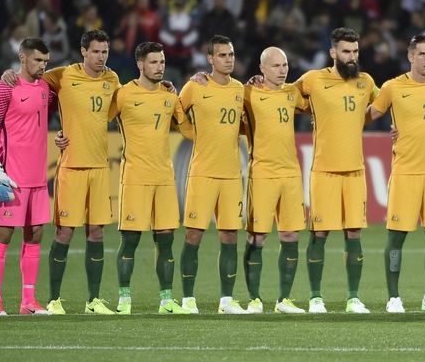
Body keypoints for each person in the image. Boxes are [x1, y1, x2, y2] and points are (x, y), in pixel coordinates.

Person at [1, 30, 121, 315]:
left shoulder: (112, 80)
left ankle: (94, 301)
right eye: (95, 51)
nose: (101, 57)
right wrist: (9, 73)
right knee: (64, 232)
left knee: (96, 233)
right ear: (83, 51)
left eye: (104, 52)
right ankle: (54, 300)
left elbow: (122, 104)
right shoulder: (62, 75)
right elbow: (32, 78)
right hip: (71, 167)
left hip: (100, 167)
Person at [368, 35, 425, 313]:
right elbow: (370, 113)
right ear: (410, 57)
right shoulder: (393, 87)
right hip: (405, 171)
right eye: (422, 54)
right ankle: (393, 297)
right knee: (397, 236)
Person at [294, 28, 377, 314]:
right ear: (333, 53)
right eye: (345, 51)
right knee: (320, 233)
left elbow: (387, 104)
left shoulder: (366, 82)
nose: (351, 57)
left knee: (354, 233)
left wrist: (399, 125)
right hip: (324, 171)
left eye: (355, 52)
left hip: (355, 171)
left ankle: (353, 297)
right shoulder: (313, 79)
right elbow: (283, 95)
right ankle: (316, 297)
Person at [109, 42, 194, 314]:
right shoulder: (123, 94)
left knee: (166, 239)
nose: (160, 67)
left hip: (164, 178)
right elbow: (98, 121)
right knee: (131, 240)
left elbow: (189, 132)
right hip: (134, 177)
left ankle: (167, 300)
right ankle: (124, 298)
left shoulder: (170, 97)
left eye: (162, 62)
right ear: (140, 64)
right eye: (154, 62)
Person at [0, 38, 55, 315]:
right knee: (3, 233)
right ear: (22, 58)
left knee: (35, 234)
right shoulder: (4, 88)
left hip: (38, 177)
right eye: (38, 60)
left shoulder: (47, 88)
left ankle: (29, 302)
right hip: (12, 175)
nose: (43, 66)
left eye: (46, 61)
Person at [177, 35, 248, 314]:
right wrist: (194, 134)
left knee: (230, 236)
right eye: (222, 55)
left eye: (230, 54)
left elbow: (245, 124)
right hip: (203, 173)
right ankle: (188, 300)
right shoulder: (195, 87)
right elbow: (176, 112)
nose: (228, 59)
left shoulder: (241, 89)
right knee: (193, 235)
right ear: (210, 59)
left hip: (231, 174)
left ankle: (227, 301)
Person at [241, 47, 311, 314]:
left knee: (290, 234)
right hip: (262, 173)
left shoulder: (292, 93)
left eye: (285, 65)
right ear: (262, 69)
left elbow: (315, 106)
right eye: (276, 66)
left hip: (291, 173)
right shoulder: (248, 93)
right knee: (258, 236)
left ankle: (284, 300)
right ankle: (254, 299)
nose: (282, 70)